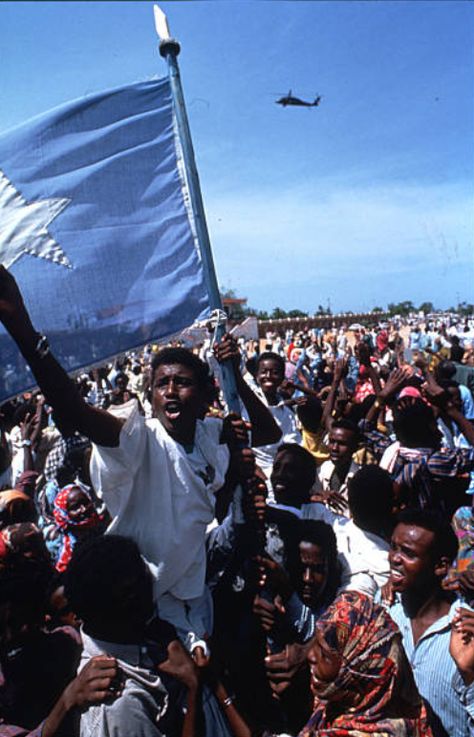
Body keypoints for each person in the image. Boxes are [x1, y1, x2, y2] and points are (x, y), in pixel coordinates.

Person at [0, 266, 278, 650]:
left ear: (203, 395)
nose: (171, 392)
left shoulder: (212, 434)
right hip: (135, 604)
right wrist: (23, 330)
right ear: (149, 395)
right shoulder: (139, 439)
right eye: (162, 383)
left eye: (182, 382)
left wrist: (239, 378)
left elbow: (268, 434)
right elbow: (75, 409)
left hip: (195, 598)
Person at [299, 591, 433, 737]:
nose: (310, 655)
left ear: (359, 671)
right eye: (315, 642)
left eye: (324, 654)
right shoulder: (338, 702)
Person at [384, 509, 468, 737]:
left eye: (408, 553)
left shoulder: (465, 631)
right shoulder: (384, 609)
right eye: (393, 547)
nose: (395, 558)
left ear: (441, 566)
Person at [302, 465, 392, 597]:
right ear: (389, 505)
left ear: (349, 496)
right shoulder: (386, 563)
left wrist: (314, 497)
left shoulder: (325, 519)